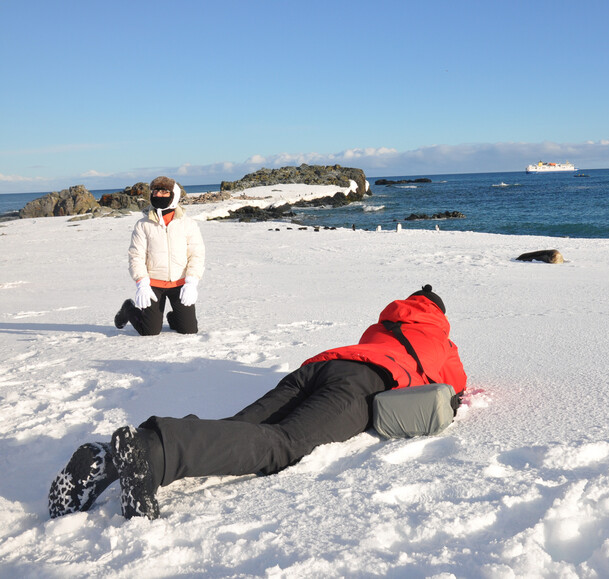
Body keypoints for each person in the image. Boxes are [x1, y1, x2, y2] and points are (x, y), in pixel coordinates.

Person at [50, 285, 466, 520]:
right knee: (281, 443)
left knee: (242, 426)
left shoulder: (382, 323)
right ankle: (151, 453)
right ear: (439, 315)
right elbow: (456, 387)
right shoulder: (442, 340)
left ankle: (108, 458)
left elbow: (368, 351)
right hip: (361, 385)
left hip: (317, 367)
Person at [114, 176, 205, 335]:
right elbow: (136, 256)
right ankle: (129, 309)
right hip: (153, 285)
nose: (158, 195)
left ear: (174, 195)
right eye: (156, 191)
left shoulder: (187, 224)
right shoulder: (143, 225)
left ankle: (175, 316)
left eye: (164, 192)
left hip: (181, 283)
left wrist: (192, 282)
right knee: (149, 331)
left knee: (189, 329)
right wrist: (142, 283)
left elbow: (196, 254)